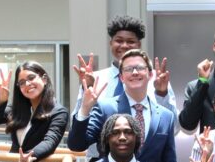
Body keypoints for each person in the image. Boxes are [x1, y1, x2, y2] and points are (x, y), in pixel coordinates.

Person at [68, 49, 179, 162]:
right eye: (128, 69)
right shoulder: (105, 108)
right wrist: (84, 110)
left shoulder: (165, 115)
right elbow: (77, 144)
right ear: (121, 77)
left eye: (139, 68)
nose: (134, 72)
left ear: (150, 74)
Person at [72, 15, 178, 150]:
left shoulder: (156, 79)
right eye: (119, 41)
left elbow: (173, 128)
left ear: (139, 45)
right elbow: (79, 127)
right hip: (103, 159)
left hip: (147, 161)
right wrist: (86, 89)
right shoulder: (95, 79)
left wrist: (162, 94)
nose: (124, 46)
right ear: (111, 43)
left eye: (130, 41)